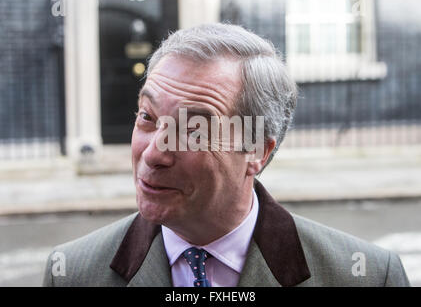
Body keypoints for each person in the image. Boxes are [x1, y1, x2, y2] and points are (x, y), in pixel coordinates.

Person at [43, 23, 410, 287]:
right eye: (147, 117)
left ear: (257, 150)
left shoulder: (367, 276)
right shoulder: (72, 273)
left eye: (192, 130)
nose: (154, 154)